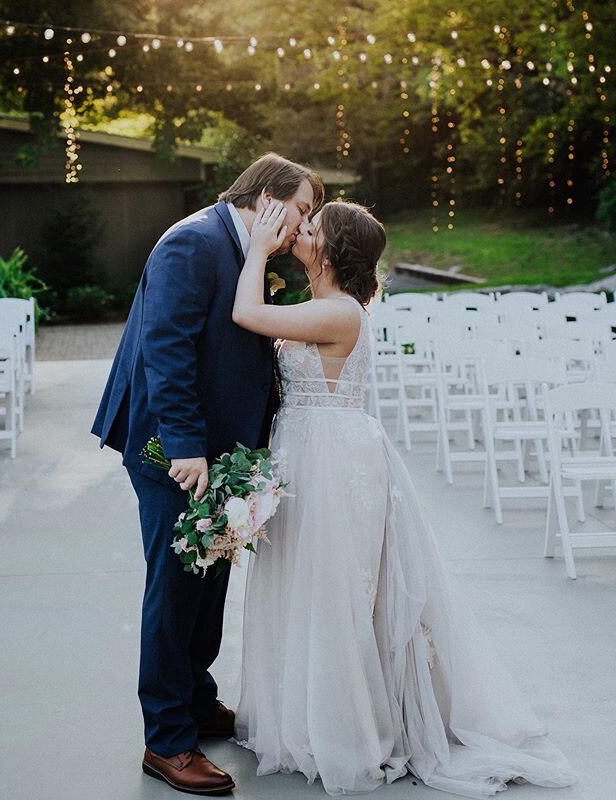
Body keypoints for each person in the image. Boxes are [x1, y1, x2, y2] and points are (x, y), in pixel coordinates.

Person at [231, 200, 578, 798]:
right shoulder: (326, 305)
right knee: (308, 584)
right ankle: (311, 715)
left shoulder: (339, 313)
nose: (300, 231)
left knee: (336, 591)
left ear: (334, 251)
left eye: (311, 228)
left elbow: (244, 314)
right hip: (311, 451)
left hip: (333, 461)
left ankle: (348, 730)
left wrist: (258, 247)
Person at [91, 153, 323, 795]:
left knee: (210, 574)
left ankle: (195, 697)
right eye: (302, 209)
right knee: (175, 587)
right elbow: (166, 349)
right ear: (268, 199)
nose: (304, 224)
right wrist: (187, 446)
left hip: (226, 450)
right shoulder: (192, 243)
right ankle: (166, 741)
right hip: (177, 452)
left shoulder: (249, 252)